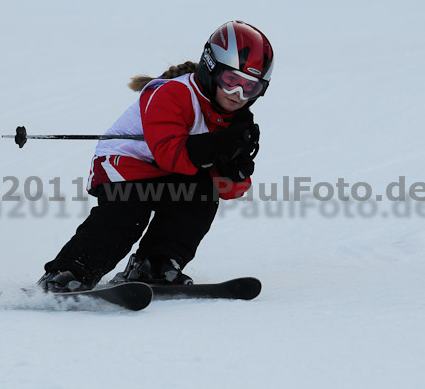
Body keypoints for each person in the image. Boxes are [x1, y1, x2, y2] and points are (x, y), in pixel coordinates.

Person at [38, 20, 274, 292]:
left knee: (202, 194)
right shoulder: (173, 92)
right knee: (129, 208)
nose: (238, 95)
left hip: (172, 172)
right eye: (231, 81)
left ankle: (156, 263)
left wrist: (236, 170)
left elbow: (228, 190)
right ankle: (70, 271)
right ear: (211, 67)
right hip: (126, 164)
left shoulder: (236, 122)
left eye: (250, 88)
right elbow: (169, 155)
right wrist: (219, 146)